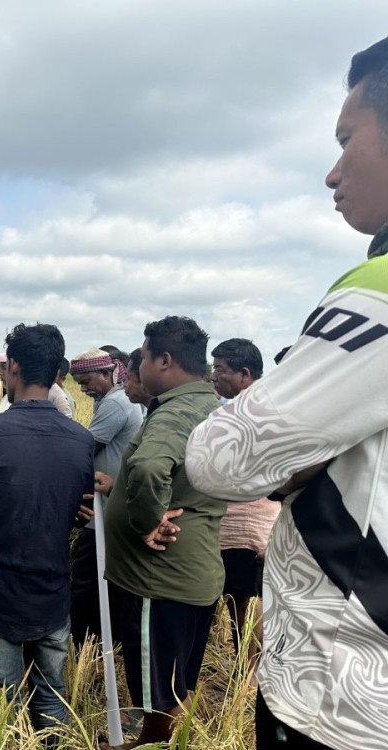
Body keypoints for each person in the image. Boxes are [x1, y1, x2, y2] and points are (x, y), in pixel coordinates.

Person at [186, 37, 388, 750]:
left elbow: (221, 457)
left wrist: (294, 462)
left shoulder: (376, 292)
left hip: (340, 696)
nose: (333, 172)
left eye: (346, 139)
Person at [0, 323, 94, 735]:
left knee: (1, 703)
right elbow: (75, 510)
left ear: (12, 367)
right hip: (52, 593)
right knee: (53, 695)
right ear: (55, 373)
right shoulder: (81, 440)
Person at [100, 316, 224, 749]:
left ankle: (157, 743)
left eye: (145, 357)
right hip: (190, 572)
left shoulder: (174, 412)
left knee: (159, 691)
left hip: (159, 579)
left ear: (165, 360)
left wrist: (146, 521)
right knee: (175, 682)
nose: (139, 368)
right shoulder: (209, 404)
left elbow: (152, 467)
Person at [207, 338, 279, 672]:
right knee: (245, 597)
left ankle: (249, 672)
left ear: (244, 374)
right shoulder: (270, 403)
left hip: (246, 519)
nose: (214, 376)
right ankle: (249, 668)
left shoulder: (246, 411)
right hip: (258, 518)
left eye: (220, 369)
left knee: (245, 599)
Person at [66, 348, 143, 648]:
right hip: (107, 506)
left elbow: (83, 449)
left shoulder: (115, 403)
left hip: (105, 512)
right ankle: (100, 642)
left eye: (86, 381)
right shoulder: (111, 400)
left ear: (108, 373)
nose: (83, 389)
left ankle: (83, 644)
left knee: (86, 581)